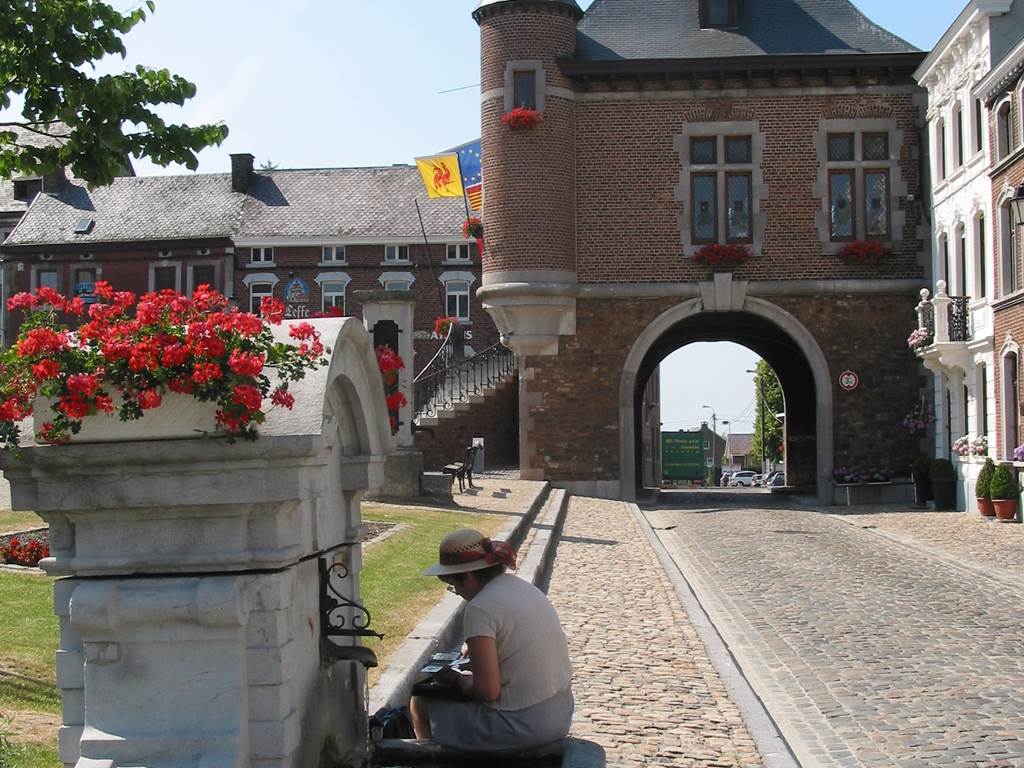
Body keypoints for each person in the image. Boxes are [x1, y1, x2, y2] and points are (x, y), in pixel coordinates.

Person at [409, 528, 574, 752]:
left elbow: (488, 692)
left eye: (454, 586)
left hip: (523, 726)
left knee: (421, 703)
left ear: (466, 577)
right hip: (560, 713)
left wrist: (457, 680)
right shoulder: (522, 588)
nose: (456, 591)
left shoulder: (480, 608)